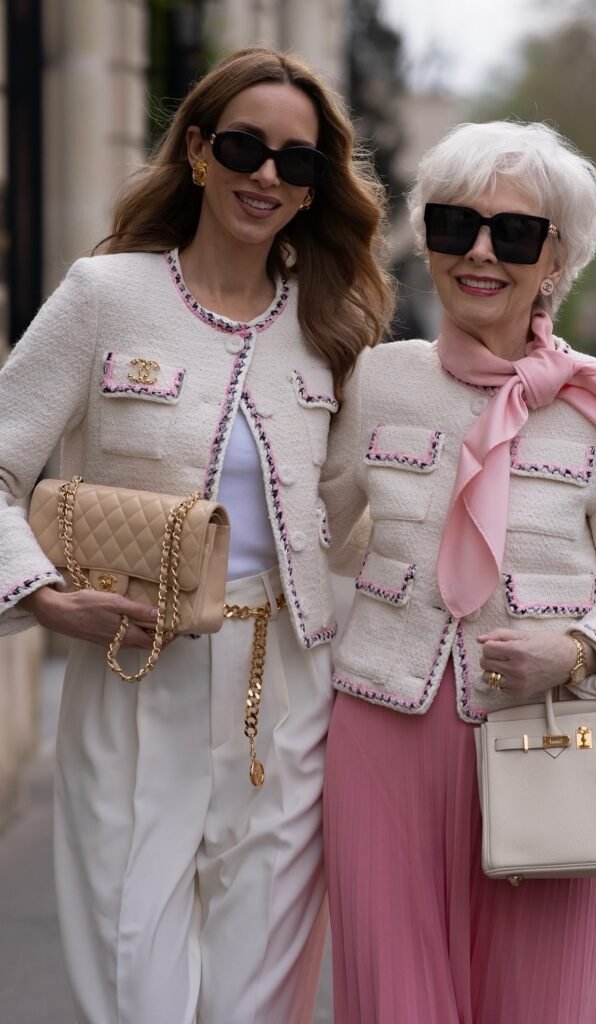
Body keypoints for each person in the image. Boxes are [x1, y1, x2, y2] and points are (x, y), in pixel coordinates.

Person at [0, 46, 392, 1024]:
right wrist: (43, 596)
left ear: (312, 191)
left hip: (288, 692)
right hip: (135, 666)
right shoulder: (105, 296)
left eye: (294, 163)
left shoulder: (331, 327)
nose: (265, 174)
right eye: (244, 147)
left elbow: (352, 525)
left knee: (258, 991)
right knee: (136, 976)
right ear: (197, 151)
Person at [321, 120, 596, 1023]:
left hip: (547, 754)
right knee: (391, 1004)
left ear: (557, 258)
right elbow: (305, 540)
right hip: (380, 746)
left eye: (513, 234)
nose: (479, 253)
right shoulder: (374, 381)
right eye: (454, 226)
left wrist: (574, 649)